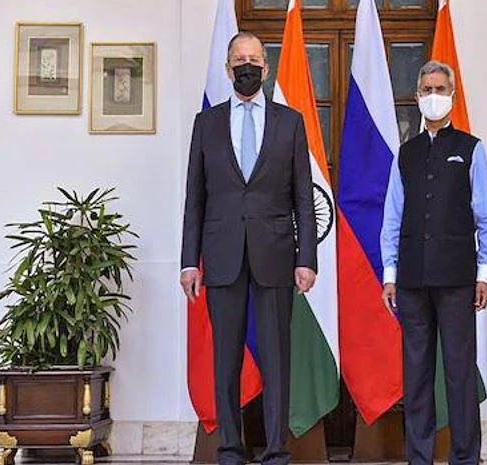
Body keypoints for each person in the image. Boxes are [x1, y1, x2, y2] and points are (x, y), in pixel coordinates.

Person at [180, 31, 317, 465]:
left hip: (275, 254)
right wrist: (189, 262)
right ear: (227, 68)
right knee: (225, 361)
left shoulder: (290, 122)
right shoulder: (207, 123)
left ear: (266, 67)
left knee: (277, 359)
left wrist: (307, 258)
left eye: (254, 59)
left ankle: (277, 450)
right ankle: (229, 450)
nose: (247, 66)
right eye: (239, 59)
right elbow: (195, 198)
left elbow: (302, 197)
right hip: (221, 256)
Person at [380, 60, 487, 465]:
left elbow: (486, 217)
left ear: (452, 95)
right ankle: (419, 457)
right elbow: (392, 216)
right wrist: (390, 274)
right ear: (417, 97)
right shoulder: (406, 153)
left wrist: (484, 273)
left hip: (457, 278)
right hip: (412, 280)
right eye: (426, 89)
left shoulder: (470, 148)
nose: (433, 96)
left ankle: (465, 457)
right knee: (416, 376)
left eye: (440, 89)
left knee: (460, 374)